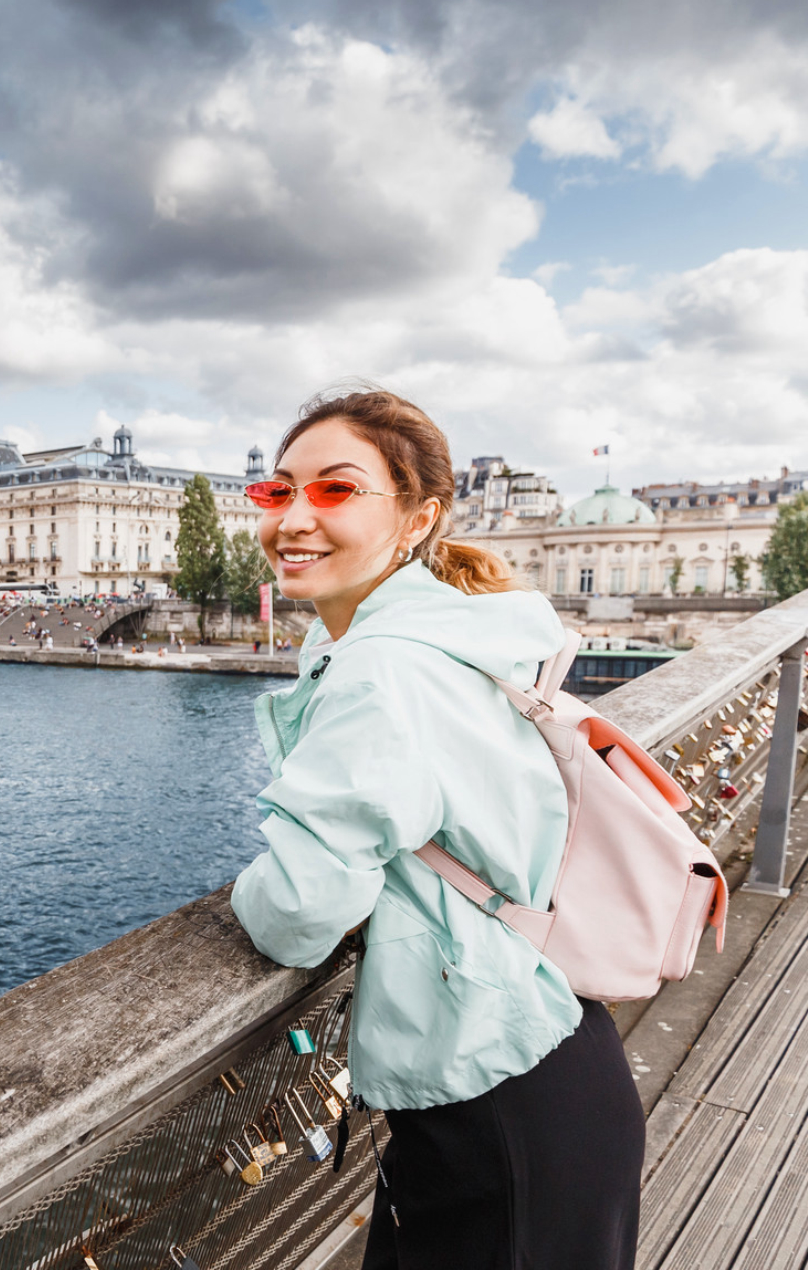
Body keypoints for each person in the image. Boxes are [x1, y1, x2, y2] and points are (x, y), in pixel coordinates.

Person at [229, 387, 639, 1269]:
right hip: (539, 1054)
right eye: (278, 491)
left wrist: (244, 884)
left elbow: (299, 909)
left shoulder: (383, 670)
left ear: (418, 518)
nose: (294, 517)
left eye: (335, 490)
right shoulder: (450, 640)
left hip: (495, 1097)